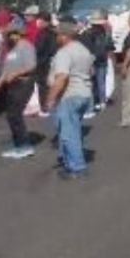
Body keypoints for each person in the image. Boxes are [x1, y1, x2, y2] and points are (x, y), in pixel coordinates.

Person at [44, 20, 94, 180]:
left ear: (64, 35)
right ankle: (69, 160)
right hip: (84, 93)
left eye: (58, 34)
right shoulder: (83, 50)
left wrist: (50, 98)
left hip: (71, 95)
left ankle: (77, 167)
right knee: (73, 130)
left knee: (68, 133)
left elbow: (61, 77)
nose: (56, 37)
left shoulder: (64, 53)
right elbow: (90, 71)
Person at [0, 20, 37, 159]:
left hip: (23, 84)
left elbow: (31, 66)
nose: (8, 37)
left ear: (17, 34)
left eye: (11, 34)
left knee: (15, 114)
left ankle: (25, 145)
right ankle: (18, 144)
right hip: (12, 85)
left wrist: (16, 74)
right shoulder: (12, 48)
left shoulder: (26, 46)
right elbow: (6, 70)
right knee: (10, 115)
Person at [80, 12, 112, 116]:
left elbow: (87, 48)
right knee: (101, 81)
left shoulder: (87, 33)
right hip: (103, 58)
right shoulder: (105, 32)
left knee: (91, 82)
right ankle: (102, 102)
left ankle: (92, 104)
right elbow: (109, 46)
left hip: (92, 59)